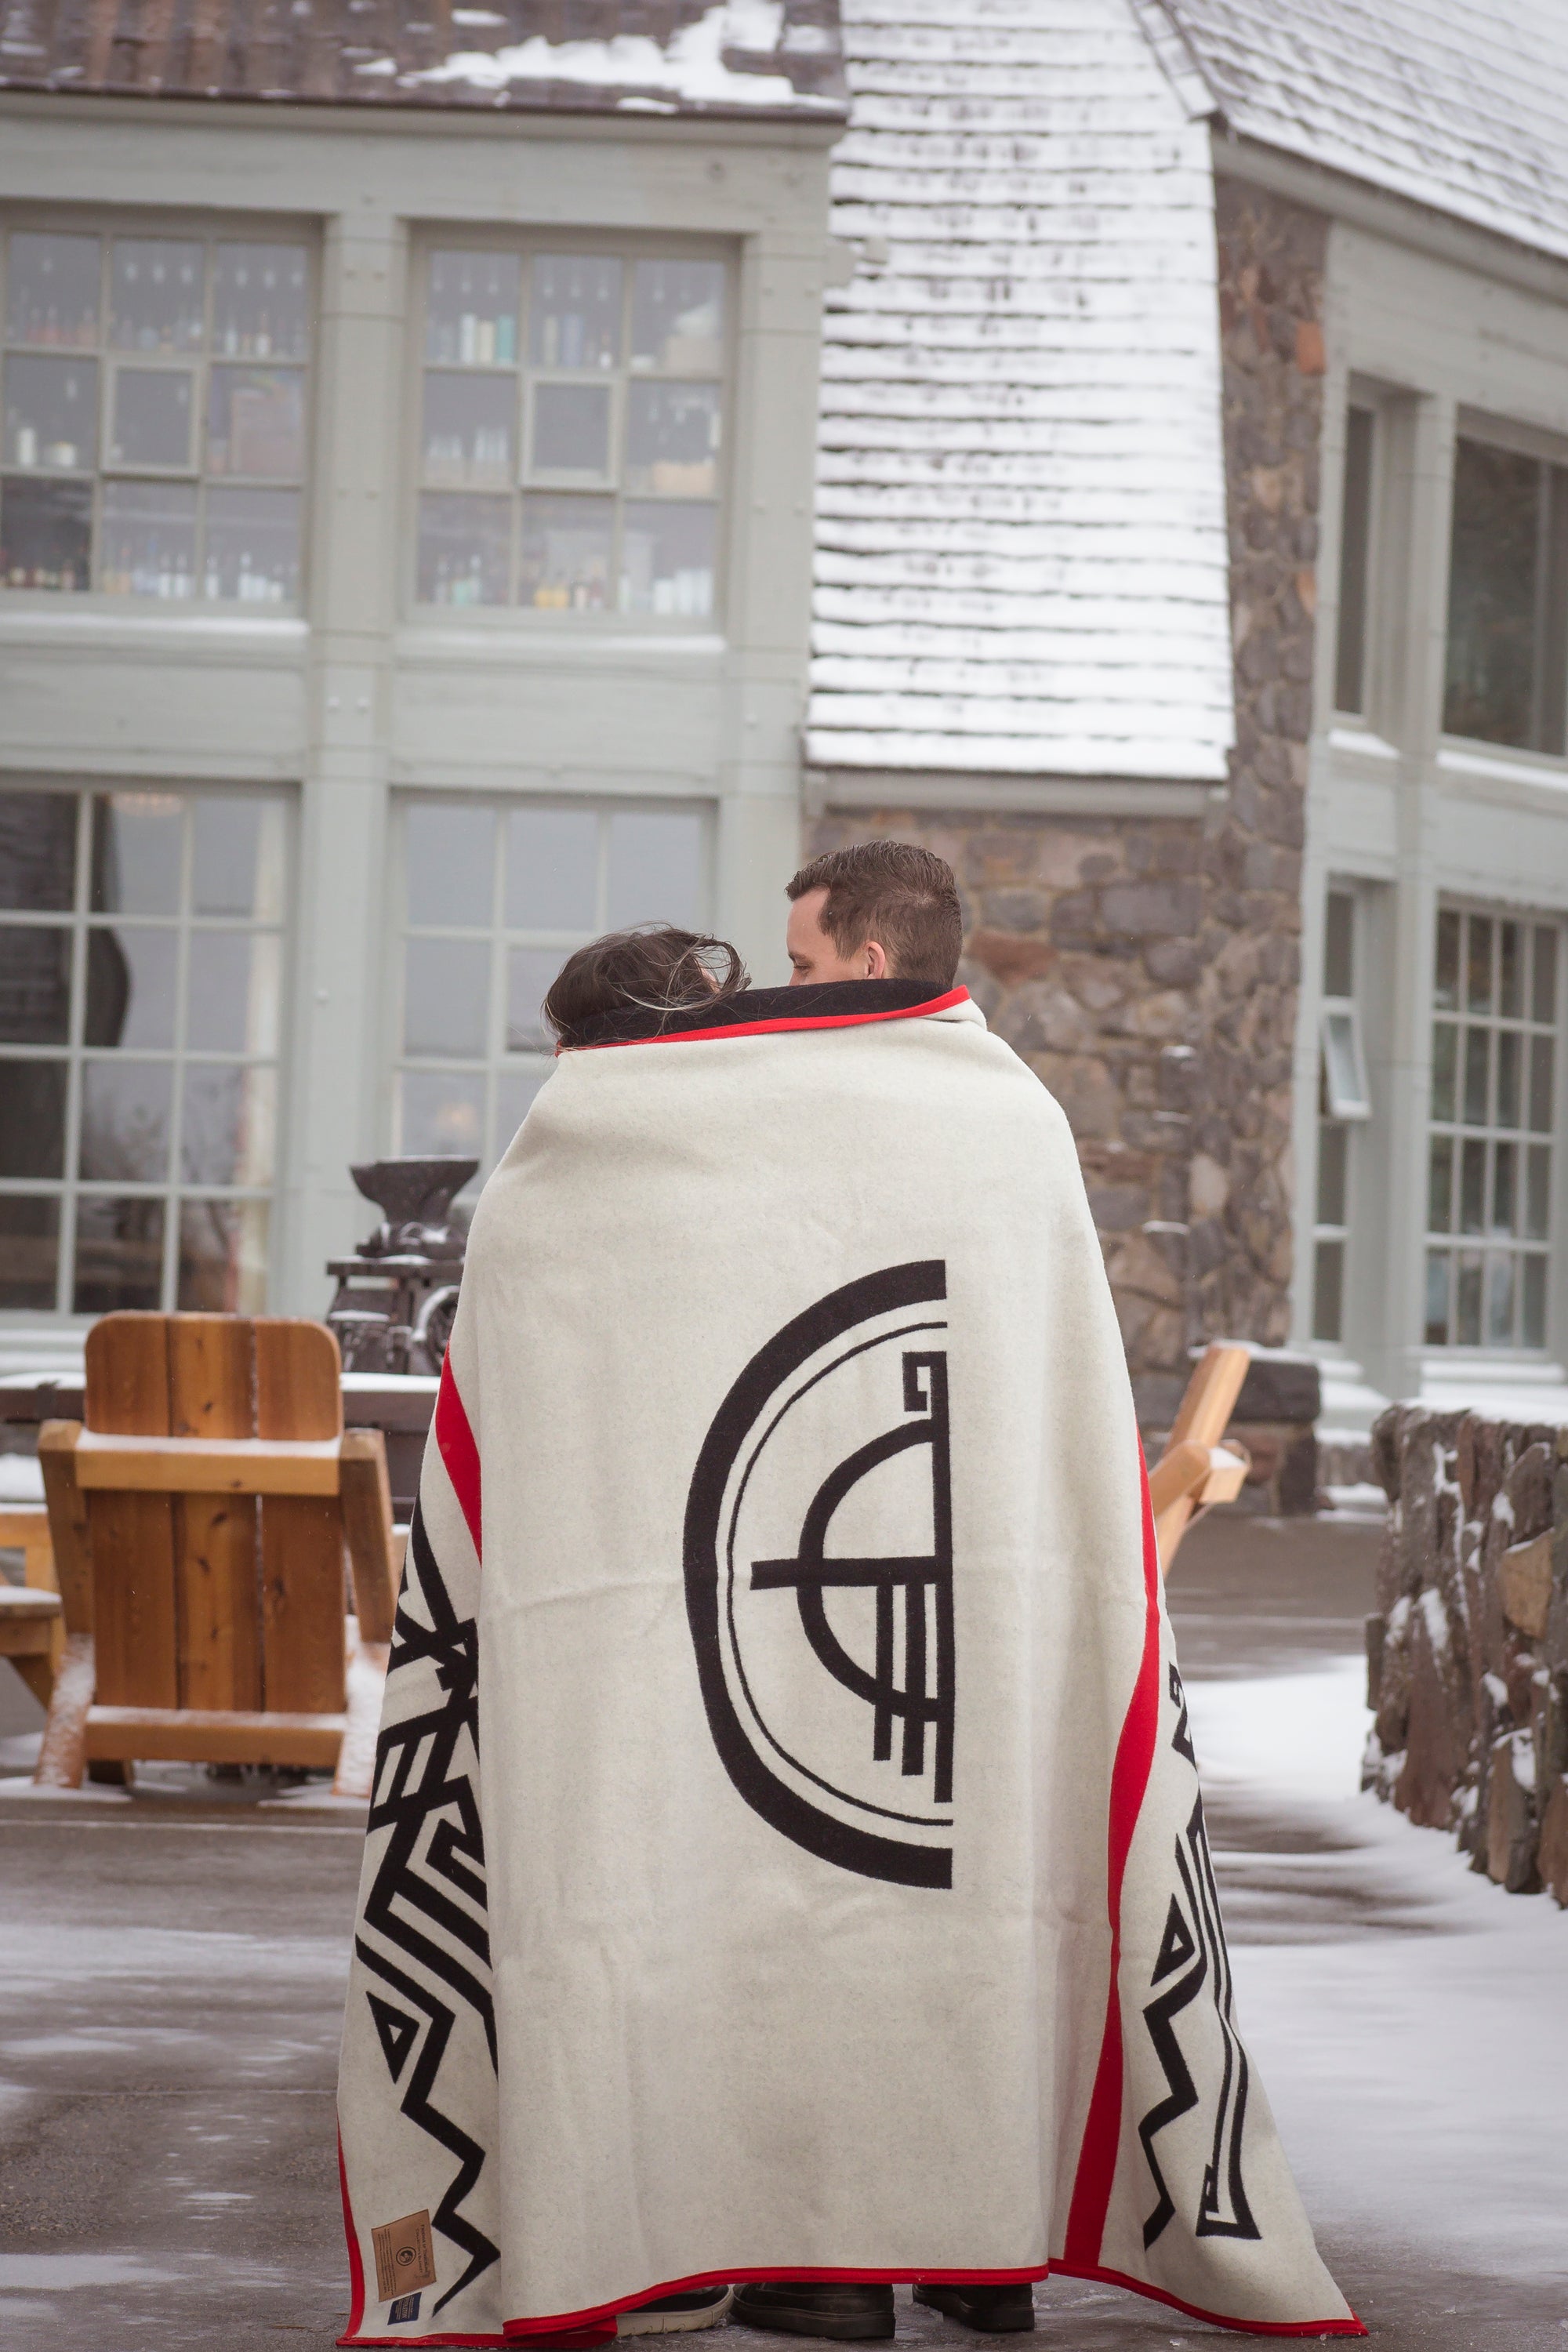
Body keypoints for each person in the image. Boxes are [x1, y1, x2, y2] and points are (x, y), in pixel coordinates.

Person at [336, 844, 1360, 2350]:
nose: (782, 991)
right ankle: (979, 2245)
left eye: (805, 963)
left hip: (695, 1618)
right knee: (976, 1899)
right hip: (963, 1629)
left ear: (871, 960)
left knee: (723, 1908)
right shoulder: (1013, 1113)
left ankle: (792, 2242)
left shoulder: (631, 1122)